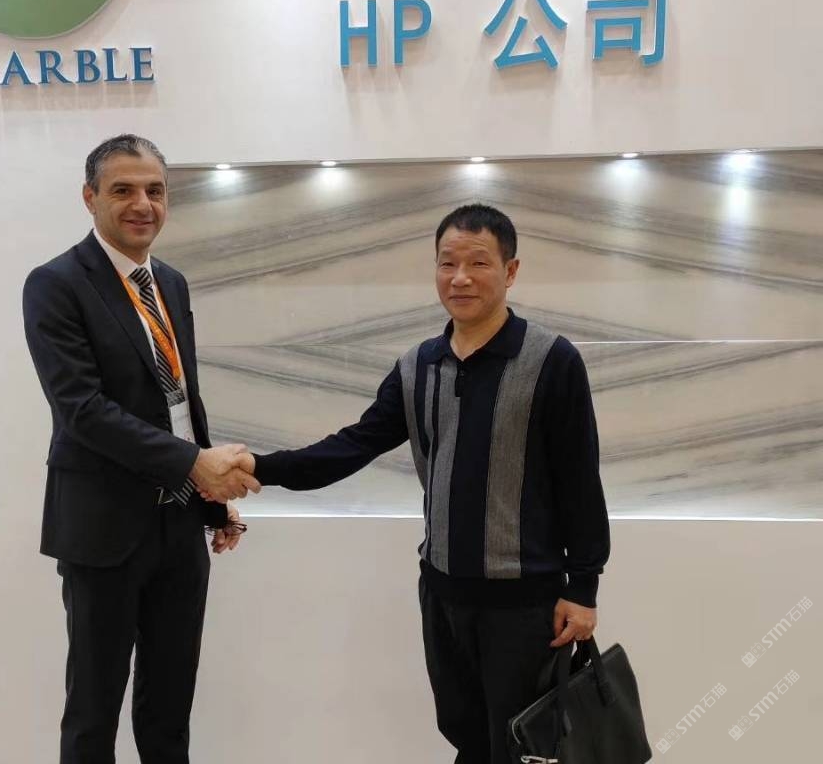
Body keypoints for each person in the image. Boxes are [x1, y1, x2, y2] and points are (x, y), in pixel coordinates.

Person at [245, 203, 610, 764]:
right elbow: (354, 444)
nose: (460, 278)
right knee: (466, 736)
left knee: (520, 746)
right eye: (447, 263)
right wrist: (258, 468)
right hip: (442, 594)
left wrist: (583, 588)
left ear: (511, 271)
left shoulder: (552, 361)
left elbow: (580, 480)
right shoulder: (418, 365)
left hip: (524, 604)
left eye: (478, 263)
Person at [23, 134, 260, 764]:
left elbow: (178, 402)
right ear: (90, 197)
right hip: (102, 532)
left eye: (155, 190)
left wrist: (209, 497)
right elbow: (82, 410)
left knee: (169, 709)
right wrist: (194, 465)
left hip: (178, 526)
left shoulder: (170, 283)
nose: (142, 204)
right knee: (93, 711)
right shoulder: (55, 284)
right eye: (123, 190)